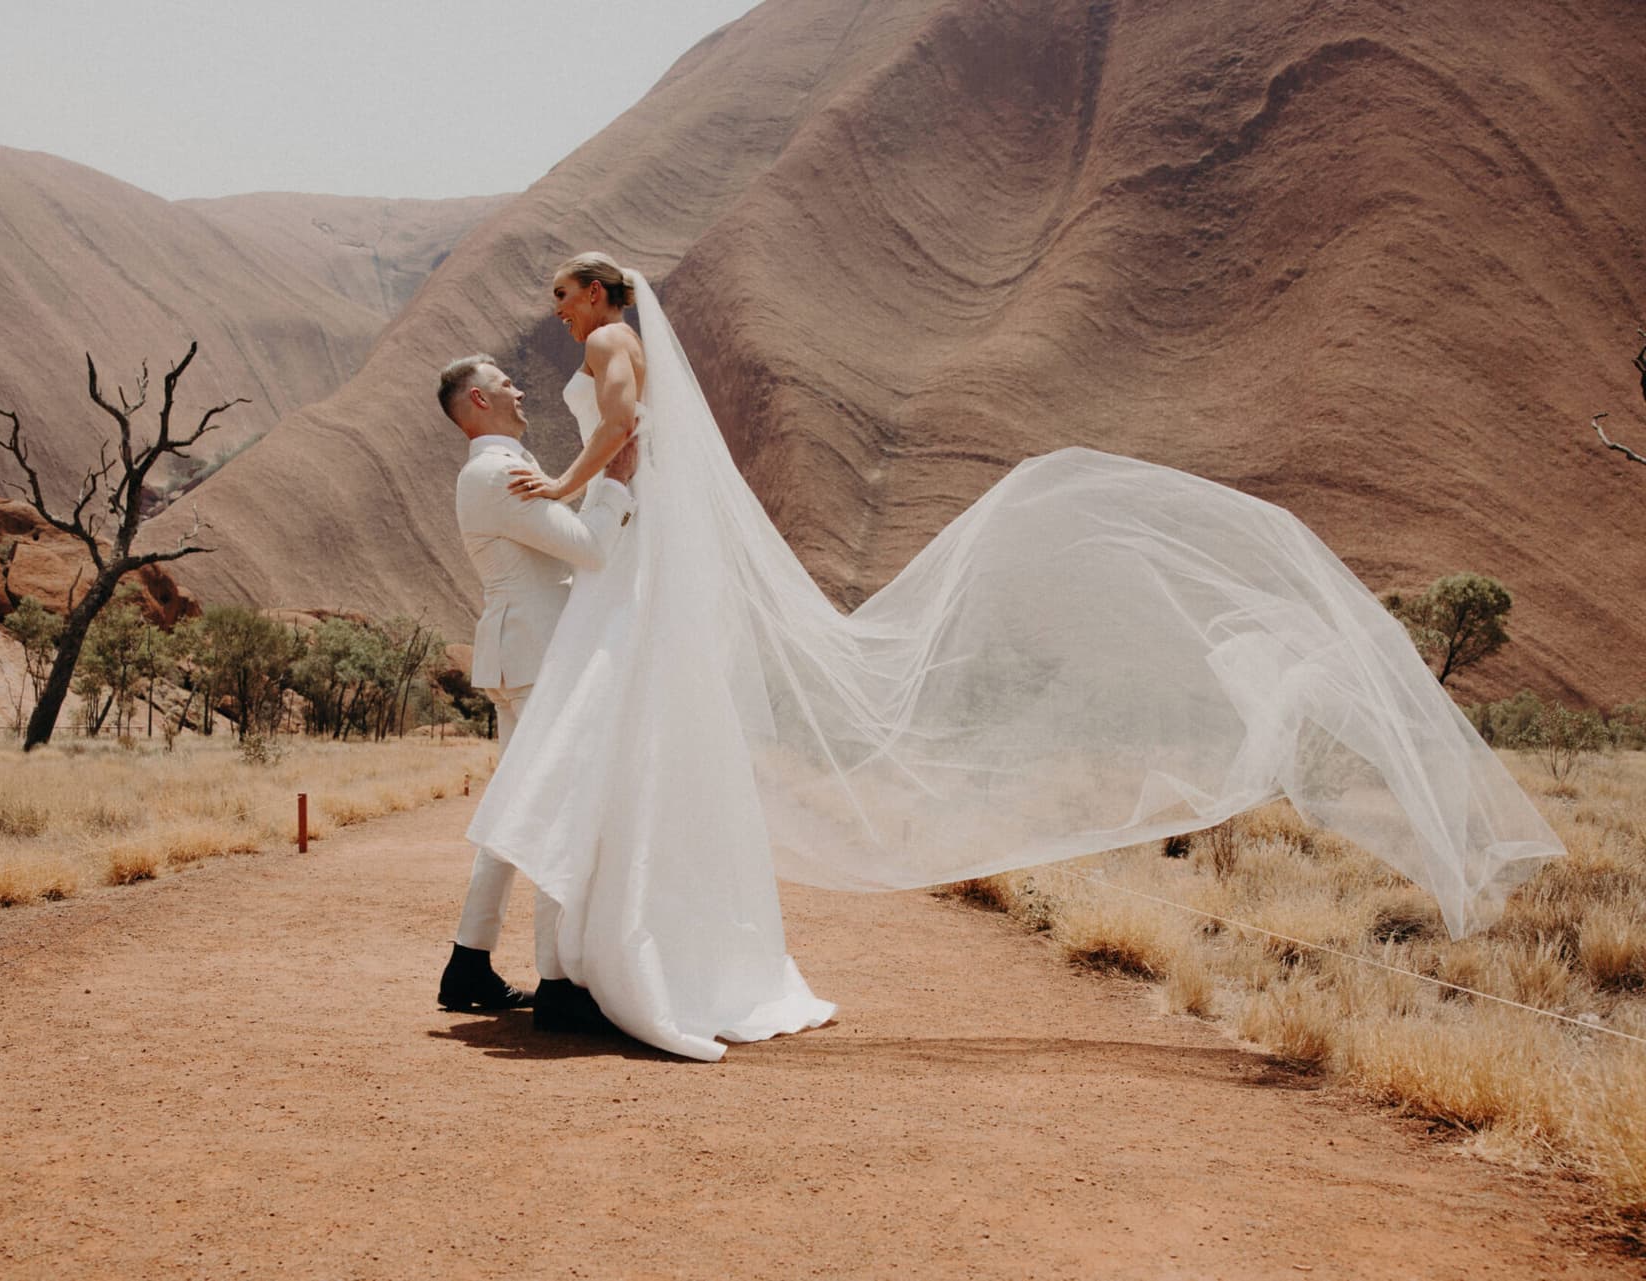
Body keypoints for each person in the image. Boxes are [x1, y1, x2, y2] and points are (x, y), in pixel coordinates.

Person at [469, 251, 1564, 1062]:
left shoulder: (614, 346)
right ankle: (598, 960)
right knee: (640, 738)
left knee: (614, 736)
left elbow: (619, 426)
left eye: (565, 293)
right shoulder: (624, 341)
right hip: (644, 555)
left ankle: (580, 963)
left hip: (632, 552)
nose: (557, 310)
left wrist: (567, 488)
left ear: (603, 296)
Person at [434, 352, 638, 1034]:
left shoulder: (490, 471)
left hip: (517, 654)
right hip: (541, 662)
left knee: (515, 812)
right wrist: (617, 483)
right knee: (555, 811)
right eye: (503, 384)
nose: (519, 388)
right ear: (477, 402)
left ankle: (468, 961)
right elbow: (588, 546)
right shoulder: (500, 472)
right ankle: (560, 984)